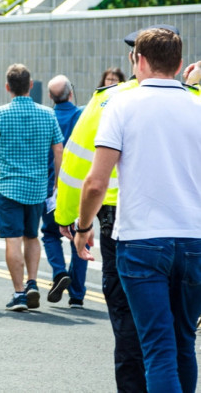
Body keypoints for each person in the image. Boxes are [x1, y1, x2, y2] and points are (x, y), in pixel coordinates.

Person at [74, 27, 201, 392]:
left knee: (157, 348)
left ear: (138, 60)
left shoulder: (119, 105)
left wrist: (84, 227)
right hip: (194, 240)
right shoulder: (197, 105)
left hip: (142, 240)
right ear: (178, 64)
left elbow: (96, 183)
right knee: (183, 344)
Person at [0, 64, 63, 312]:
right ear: (30, 85)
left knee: (13, 240)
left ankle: (19, 294)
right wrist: (57, 182)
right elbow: (58, 149)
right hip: (38, 188)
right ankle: (32, 283)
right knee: (32, 236)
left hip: (9, 188)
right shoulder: (48, 114)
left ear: (8, 87)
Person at [40, 75, 87, 308]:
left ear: (50, 96)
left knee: (50, 234)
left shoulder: (46, 117)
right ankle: (77, 295)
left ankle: (59, 273)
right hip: (79, 188)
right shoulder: (82, 115)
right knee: (80, 237)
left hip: (50, 188)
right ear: (71, 93)